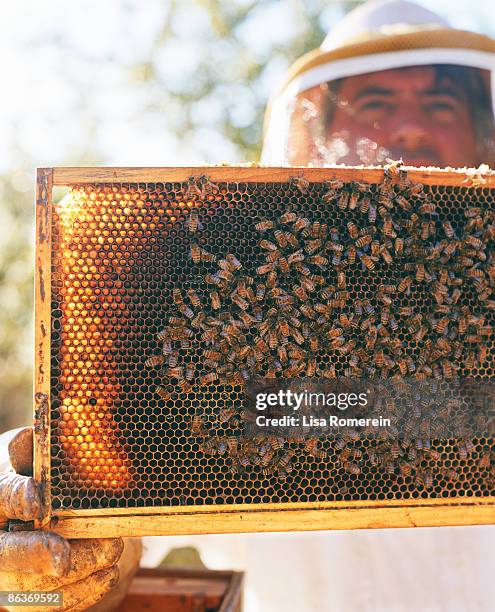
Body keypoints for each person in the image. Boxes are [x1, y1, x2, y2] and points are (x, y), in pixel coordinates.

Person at [1, 1, 495, 610]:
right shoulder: (213, 304)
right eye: (375, 103)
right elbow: (119, 528)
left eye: (440, 103)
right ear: (315, 134)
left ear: (483, 130)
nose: (410, 129)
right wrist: (59, 567)